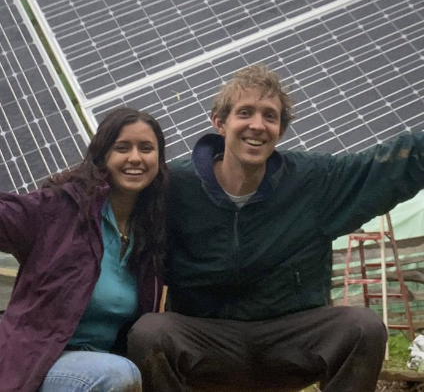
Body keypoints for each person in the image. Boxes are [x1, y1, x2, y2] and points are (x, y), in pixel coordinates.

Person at [127, 64, 424, 392]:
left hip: (291, 343)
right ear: (219, 123)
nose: (257, 125)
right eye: (245, 112)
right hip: (207, 343)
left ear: (280, 131)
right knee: (150, 333)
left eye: (270, 116)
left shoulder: (312, 182)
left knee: (362, 327)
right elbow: (111, 199)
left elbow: (391, 165)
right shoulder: (173, 186)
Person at [0, 108, 168, 392]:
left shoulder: (153, 231)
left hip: (100, 362)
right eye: (122, 148)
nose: (136, 158)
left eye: (146, 148)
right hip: (36, 362)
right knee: (117, 376)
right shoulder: (61, 210)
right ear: (102, 156)